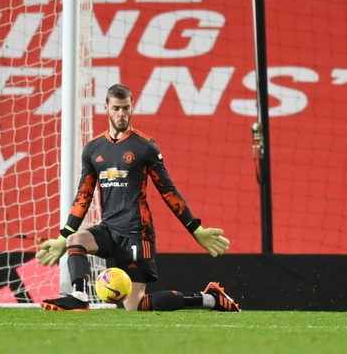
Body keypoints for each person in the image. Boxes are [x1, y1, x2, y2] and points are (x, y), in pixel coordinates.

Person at [37, 83, 241, 312]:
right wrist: (64, 236)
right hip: (108, 229)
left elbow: (168, 191)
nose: (121, 114)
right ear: (106, 107)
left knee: (135, 305)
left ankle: (210, 299)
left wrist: (196, 229)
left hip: (136, 233)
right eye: (116, 108)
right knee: (76, 241)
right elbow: (83, 195)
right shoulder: (93, 149)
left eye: (125, 108)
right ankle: (79, 296)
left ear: (132, 106)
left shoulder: (145, 147)